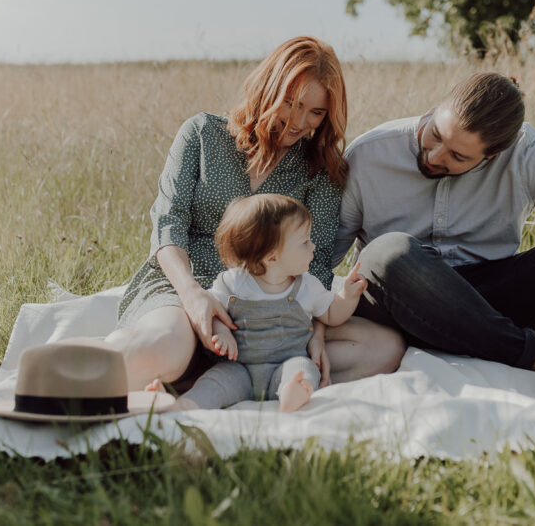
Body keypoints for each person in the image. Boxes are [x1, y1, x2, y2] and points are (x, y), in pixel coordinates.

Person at [332, 72, 535, 426]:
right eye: (435, 134)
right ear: (435, 108)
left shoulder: (526, 154)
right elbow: (321, 257)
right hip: (396, 301)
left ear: (494, 155)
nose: (433, 155)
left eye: (458, 156)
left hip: (487, 298)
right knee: (388, 252)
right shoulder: (370, 154)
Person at [106, 36, 405, 392]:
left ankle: (214, 374)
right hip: (186, 284)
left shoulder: (321, 170)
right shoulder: (202, 134)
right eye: (291, 103)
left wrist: (317, 333)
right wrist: (193, 297)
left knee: (384, 349)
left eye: (316, 112)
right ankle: (169, 364)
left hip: (272, 308)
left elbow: (319, 261)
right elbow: (169, 225)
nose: (298, 122)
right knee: (162, 349)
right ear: (268, 88)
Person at [147, 194, 366, 411]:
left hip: (286, 364)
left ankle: (294, 392)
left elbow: (332, 314)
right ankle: (183, 405)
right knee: (214, 383)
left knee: (304, 368)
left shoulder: (307, 286)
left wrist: (347, 295)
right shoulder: (233, 283)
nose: (313, 247)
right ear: (272, 257)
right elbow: (213, 311)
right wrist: (221, 331)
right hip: (239, 368)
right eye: (305, 242)